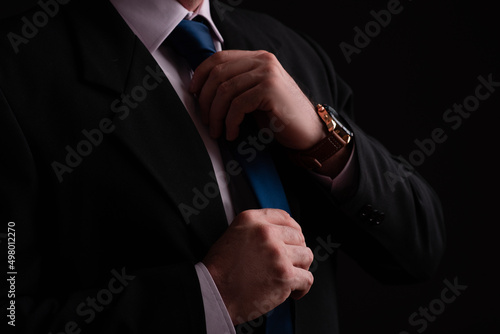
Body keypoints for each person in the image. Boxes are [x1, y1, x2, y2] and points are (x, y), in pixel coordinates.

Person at [0, 0, 445, 333]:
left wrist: (320, 136)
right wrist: (209, 298)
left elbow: (418, 251)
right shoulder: (19, 69)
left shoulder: (288, 48)